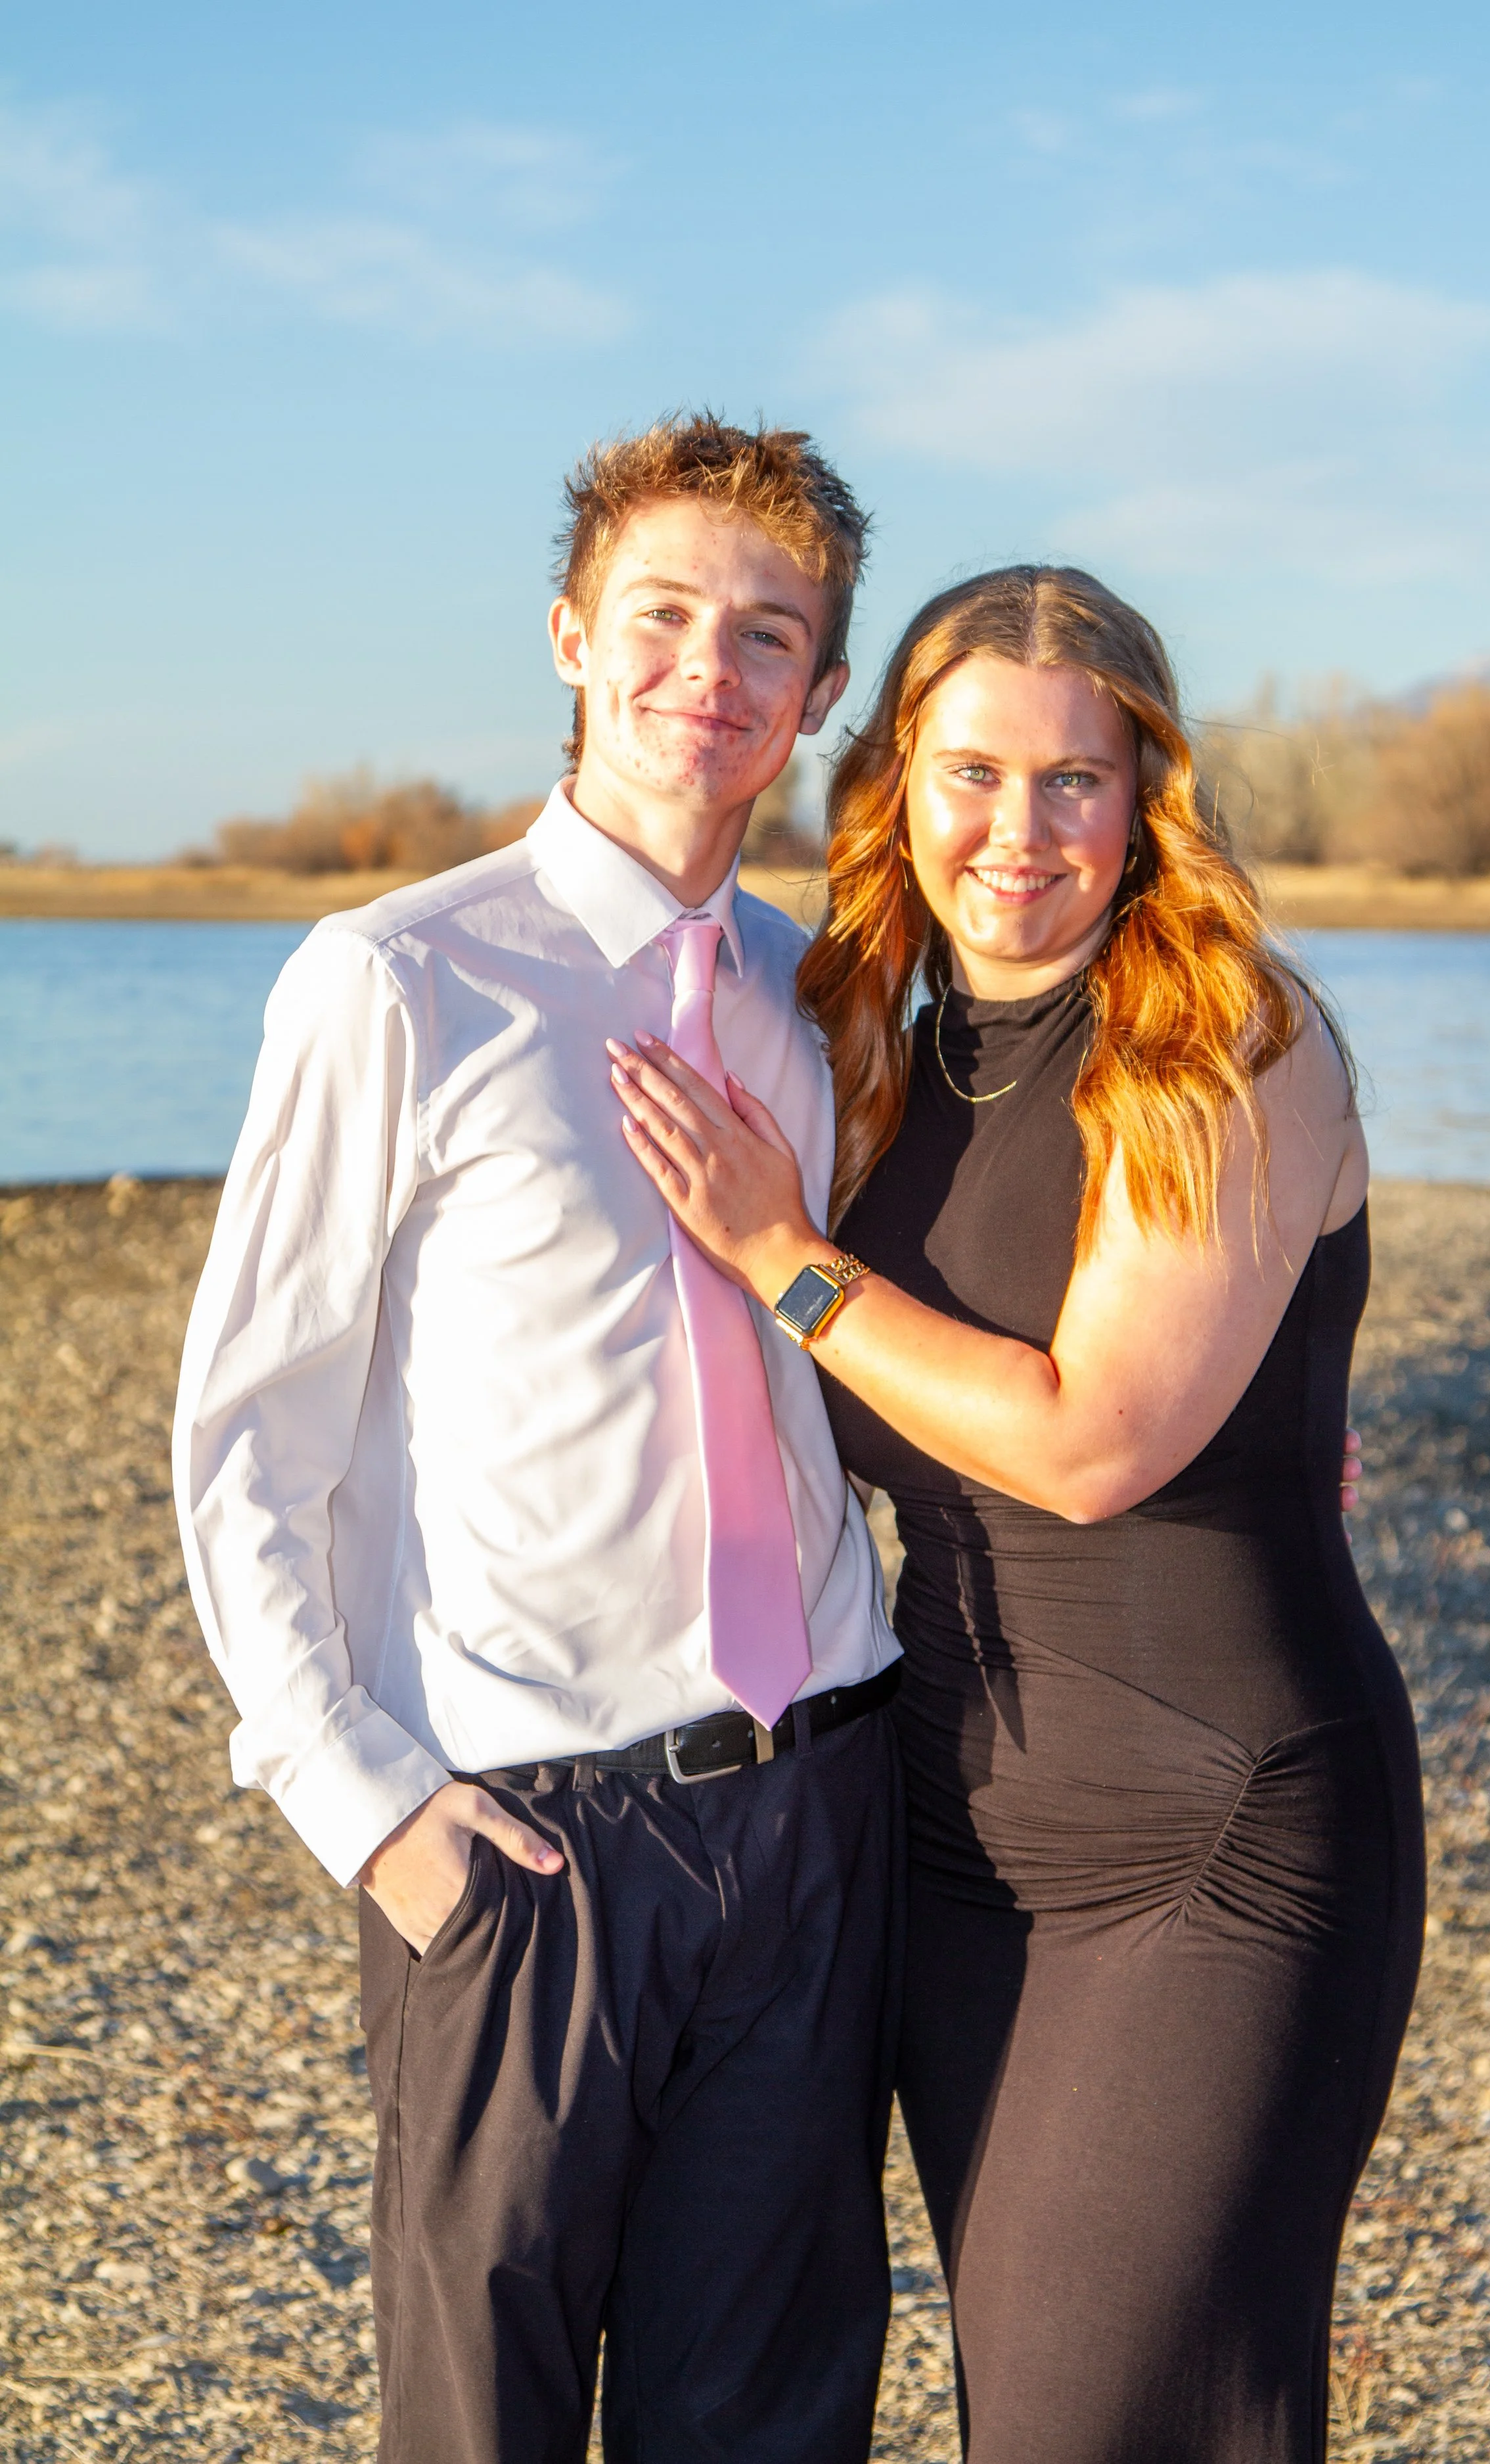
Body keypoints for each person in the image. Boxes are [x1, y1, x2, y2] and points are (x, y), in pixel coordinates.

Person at [608, 563, 1426, 2464]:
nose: (1020, 830)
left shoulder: (1227, 1037)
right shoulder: (882, 1047)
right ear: (897, 785)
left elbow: (1088, 1445)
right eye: (972, 772)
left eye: (1075, 779)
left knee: (1091, 2417)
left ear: (1148, 796)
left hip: (1215, 1833)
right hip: (954, 1834)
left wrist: (779, 1257)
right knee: (1067, 2404)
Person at [172, 415, 907, 2464]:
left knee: (764, 2425)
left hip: (813, 1803)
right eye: (663, 613)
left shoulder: (818, 1000)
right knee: (479, 2428)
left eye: (770, 634)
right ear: (572, 637)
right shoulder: (397, 979)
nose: (711, 667)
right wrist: (365, 1801)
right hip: (526, 1845)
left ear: (821, 696)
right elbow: (248, 1440)